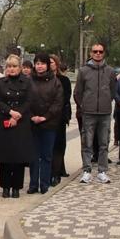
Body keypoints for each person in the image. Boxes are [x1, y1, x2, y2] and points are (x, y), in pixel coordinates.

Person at [73, 42, 118, 184]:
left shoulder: (110, 71)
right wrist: (84, 105)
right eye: (95, 51)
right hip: (88, 112)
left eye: (100, 51)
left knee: (104, 143)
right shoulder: (83, 71)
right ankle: (86, 171)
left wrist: (105, 102)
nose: (98, 53)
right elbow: (78, 92)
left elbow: (113, 91)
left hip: (104, 113)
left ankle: (102, 171)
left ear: (103, 53)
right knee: (87, 143)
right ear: (91, 53)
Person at [0, 54, 34, 197]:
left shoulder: (27, 82)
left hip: (21, 121)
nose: (11, 69)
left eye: (14, 66)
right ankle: (5, 187)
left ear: (20, 67)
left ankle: (16, 187)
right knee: (4, 156)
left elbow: (29, 100)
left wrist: (18, 114)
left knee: (18, 156)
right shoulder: (1, 82)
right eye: (9, 66)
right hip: (4, 119)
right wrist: (10, 112)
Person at [27, 53, 64, 192]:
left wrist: (45, 117)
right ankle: (33, 184)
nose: (40, 66)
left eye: (42, 63)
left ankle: (44, 184)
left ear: (47, 65)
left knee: (46, 155)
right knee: (33, 155)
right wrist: (32, 116)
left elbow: (58, 103)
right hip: (32, 123)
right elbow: (25, 101)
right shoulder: (28, 80)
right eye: (37, 63)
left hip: (49, 124)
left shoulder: (55, 82)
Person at [49, 55, 72, 185]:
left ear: (56, 64)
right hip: (44, 117)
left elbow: (65, 98)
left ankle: (57, 172)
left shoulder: (64, 80)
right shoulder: (40, 79)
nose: (50, 64)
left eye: (52, 62)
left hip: (59, 116)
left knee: (59, 144)